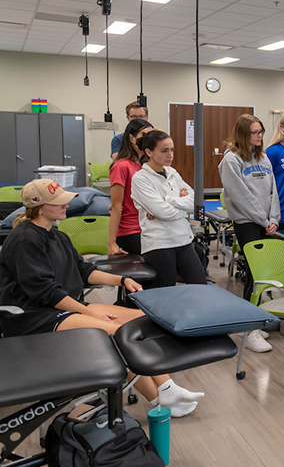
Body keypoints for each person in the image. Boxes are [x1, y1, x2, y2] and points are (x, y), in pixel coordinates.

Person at [0, 180, 204, 417]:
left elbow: (83, 270)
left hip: (61, 307)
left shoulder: (57, 236)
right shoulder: (24, 240)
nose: (67, 204)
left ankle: (167, 389)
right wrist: (89, 312)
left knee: (141, 320)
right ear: (40, 206)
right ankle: (160, 397)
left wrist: (122, 280)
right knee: (116, 332)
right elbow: (46, 292)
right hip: (36, 317)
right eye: (59, 202)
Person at [219, 114, 280, 353]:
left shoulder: (263, 157)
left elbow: (273, 190)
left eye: (261, 131)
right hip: (248, 222)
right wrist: (264, 220)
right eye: (255, 132)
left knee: (263, 272)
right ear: (243, 134)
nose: (259, 136)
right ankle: (248, 328)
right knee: (254, 273)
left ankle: (254, 319)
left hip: (266, 222)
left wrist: (273, 218)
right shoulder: (231, 160)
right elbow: (240, 196)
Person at [130, 130, 207, 287]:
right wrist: (181, 204)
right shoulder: (140, 179)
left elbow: (196, 201)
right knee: (165, 294)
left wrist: (170, 200)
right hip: (159, 244)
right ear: (149, 152)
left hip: (184, 239)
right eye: (164, 151)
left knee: (200, 286)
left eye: (172, 149)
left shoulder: (173, 173)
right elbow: (163, 212)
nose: (170, 155)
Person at [108, 118, 154, 256]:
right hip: (131, 230)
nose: (148, 141)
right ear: (132, 138)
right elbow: (116, 207)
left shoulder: (147, 165)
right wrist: (111, 243)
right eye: (144, 136)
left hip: (148, 226)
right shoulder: (121, 166)